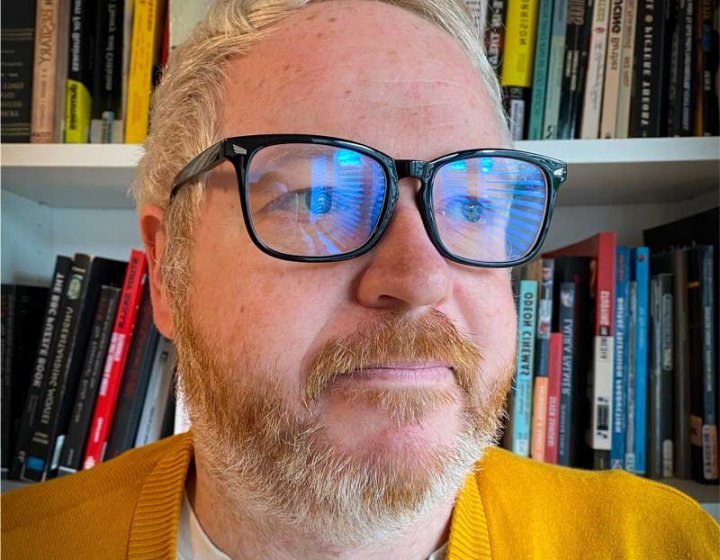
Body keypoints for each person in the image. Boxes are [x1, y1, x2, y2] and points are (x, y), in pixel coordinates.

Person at [2, 1, 718, 558]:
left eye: (471, 204)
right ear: (167, 274)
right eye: (317, 199)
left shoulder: (663, 544)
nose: (420, 278)